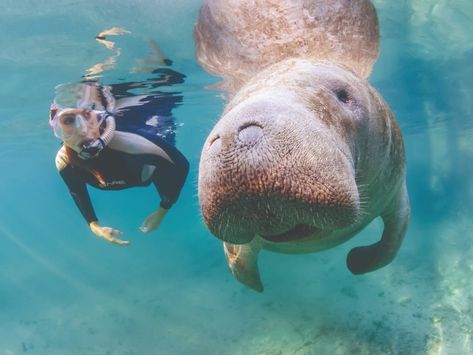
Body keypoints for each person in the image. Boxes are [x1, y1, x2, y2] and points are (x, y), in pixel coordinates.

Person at [49, 77, 189, 246]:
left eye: (87, 116)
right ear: (56, 127)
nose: (82, 129)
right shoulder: (64, 160)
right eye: (68, 120)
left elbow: (180, 166)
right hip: (135, 174)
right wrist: (94, 225)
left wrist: (164, 208)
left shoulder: (134, 145)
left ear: (99, 117)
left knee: (162, 112)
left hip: (151, 147)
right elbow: (76, 190)